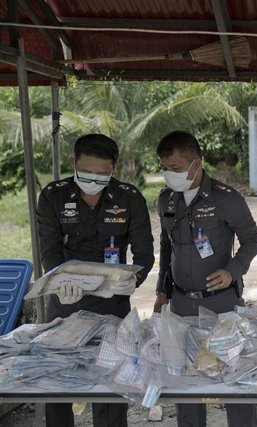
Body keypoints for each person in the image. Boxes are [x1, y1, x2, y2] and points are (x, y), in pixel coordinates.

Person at [36, 133, 155, 427]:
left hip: (112, 305)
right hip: (65, 305)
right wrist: (61, 280)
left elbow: (145, 253)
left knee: (111, 393)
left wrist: (133, 279)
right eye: (87, 172)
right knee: (59, 388)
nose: (94, 179)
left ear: (113, 169)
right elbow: (49, 251)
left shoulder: (129, 198)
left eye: (103, 174)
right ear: (73, 163)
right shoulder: (54, 196)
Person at [153, 130, 257, 427]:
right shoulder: (166, 201)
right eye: (164, 168)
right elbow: (166, 245)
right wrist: (162, 291)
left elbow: (252, 240)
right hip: (182, 306)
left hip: (222, 306)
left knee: (234, 383)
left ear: (195, 163)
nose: (168, 175)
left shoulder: (227, 199)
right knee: (187, 387)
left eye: (174, 168)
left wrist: (232, 271)